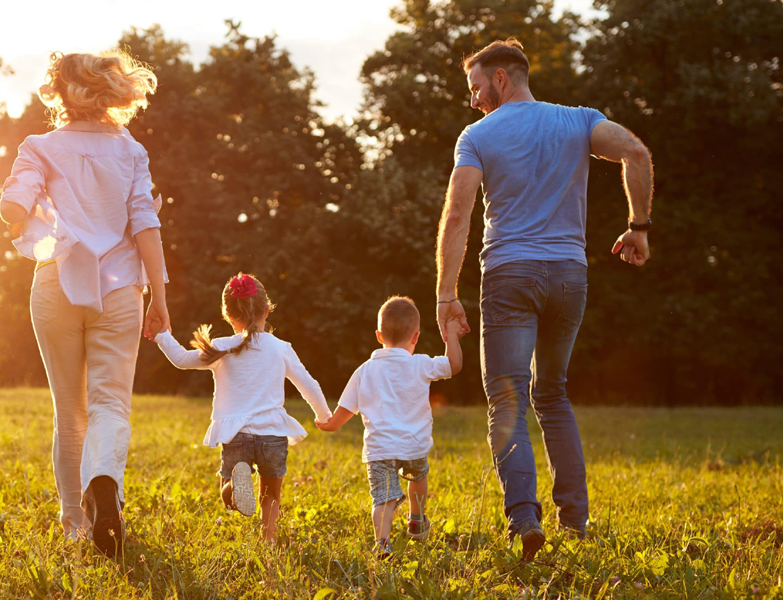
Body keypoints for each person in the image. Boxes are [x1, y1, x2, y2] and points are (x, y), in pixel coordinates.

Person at [436, 37, 654, 560]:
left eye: (476, 87)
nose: (474, 100)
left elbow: (458, 214)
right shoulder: (579, 121)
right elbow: (637, 152)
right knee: (552, 394)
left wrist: (447, 294)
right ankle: (575, 522)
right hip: (569, 277)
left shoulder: (477, 136)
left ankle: (524, 521)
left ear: (502, 79)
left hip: (511, 275)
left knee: (507, 396)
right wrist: (639, 227)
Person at [0, 51, 169, 558]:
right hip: (119, 289)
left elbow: (12, 205)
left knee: (68, 413)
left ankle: (75, 522)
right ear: (111, 92)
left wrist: (14, 210)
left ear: (58, 92)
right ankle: (105, 481)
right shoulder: (131, 151)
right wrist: (160, 295)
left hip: (57, 285)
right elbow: (146, 225)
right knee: (110, 403)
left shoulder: (38, 146)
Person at [151, 273, 333, 542]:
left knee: (229, 494)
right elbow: (308, 384)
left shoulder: (222, 347)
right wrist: (324, 416)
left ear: (227, 314)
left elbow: (181, 359)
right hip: (272, 434)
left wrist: (161, 335)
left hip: (236, 435)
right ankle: (269, 541)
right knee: (271, 493)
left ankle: (232, 489)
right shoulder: (280, 348)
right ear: (267, 310)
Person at [316, 297, 463, 559]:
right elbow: (454, 365)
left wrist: (330, 425)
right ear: (415, 336)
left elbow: (347, 408)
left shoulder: (365, 370)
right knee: (418, 478)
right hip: (414, 445)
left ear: (379, 335)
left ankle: (382, 543)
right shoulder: (421, 364)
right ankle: (416, 520)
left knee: (383, 499)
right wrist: (451, 333)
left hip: (381, 448)